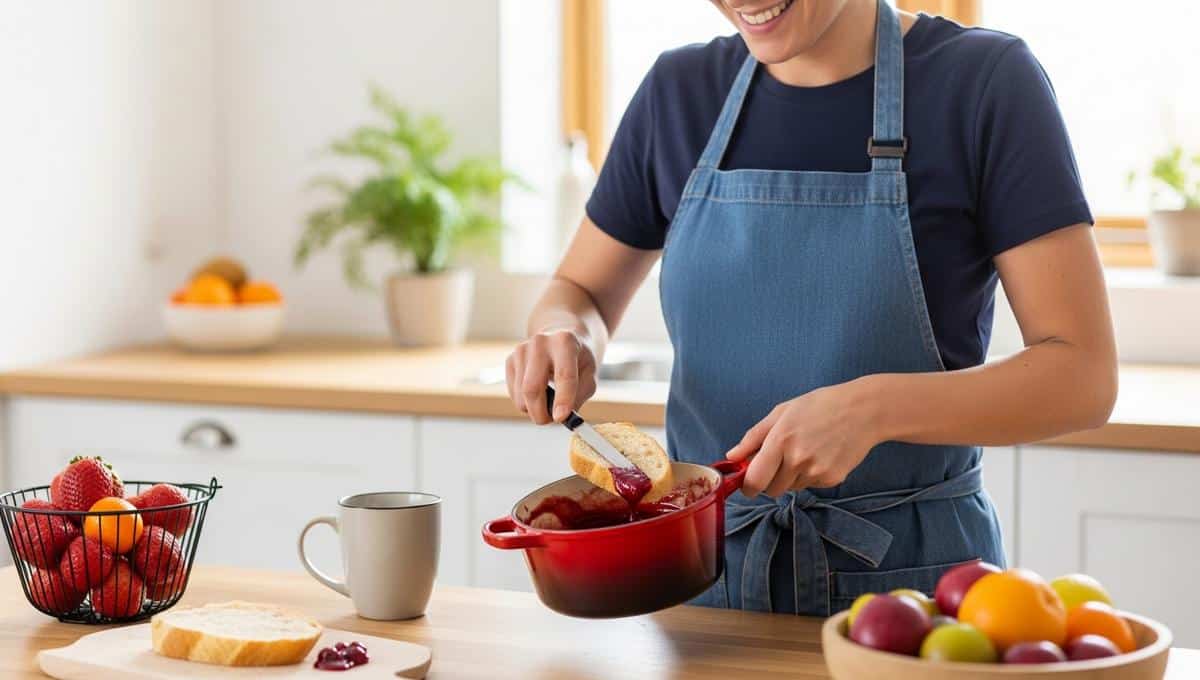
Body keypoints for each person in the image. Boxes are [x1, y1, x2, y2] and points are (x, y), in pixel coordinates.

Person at [505, 0, 1117, 615]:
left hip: (918, 596)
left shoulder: (982, 81)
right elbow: (578, 293)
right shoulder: (680, 93)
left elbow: (1083, 375)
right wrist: (564, 335)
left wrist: (871, 410)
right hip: (704, 588)